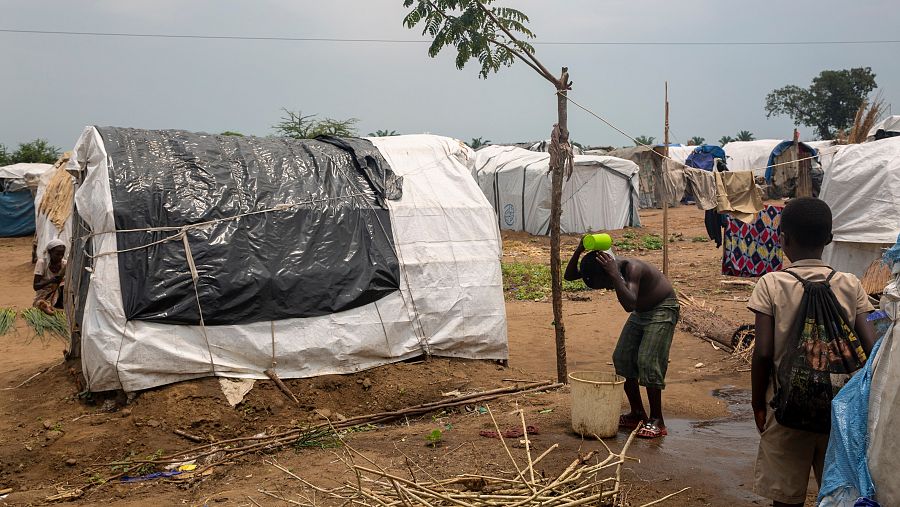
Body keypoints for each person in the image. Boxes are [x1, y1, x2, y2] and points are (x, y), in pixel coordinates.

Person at [748, 197, 876, 507]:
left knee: (785, 497)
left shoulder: (770, 284)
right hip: (840, 410)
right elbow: (872, 348)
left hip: (786, 406)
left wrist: (757, 404)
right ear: (830, 240)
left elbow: (763, 353)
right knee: (839, 494)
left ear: (783, 239)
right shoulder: (850, 284)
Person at [564, 237, 679, 439]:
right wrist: (579, 249)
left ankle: (657, 420)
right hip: (641, 312)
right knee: (622, 358)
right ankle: (637, 414)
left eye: (605, 284)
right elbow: (569, 276)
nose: (607, 288)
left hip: (662, 308)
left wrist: (615, 276)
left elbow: (629, 305)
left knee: (648, 360)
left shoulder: (632, 269)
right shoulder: (599, 266)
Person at [33, 239, 67, 315]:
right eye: (57, 254)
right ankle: (47, 306)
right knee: (41, 303)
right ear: (50, 252)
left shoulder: (65, 264)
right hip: (44, 294)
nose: (60, 257)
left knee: (64, 285)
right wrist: (51, 280)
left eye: (62, 254)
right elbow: (36, 286)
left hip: (60, 294)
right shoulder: (42, 263)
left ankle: (55, 307)